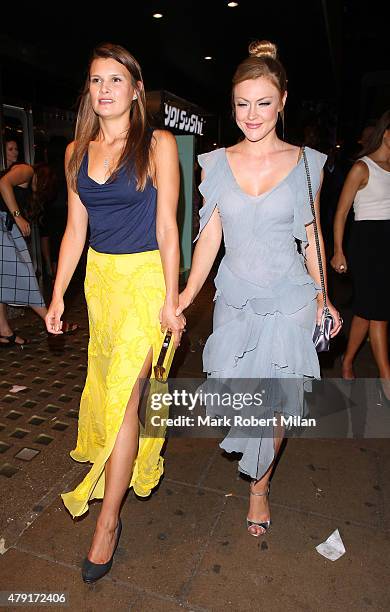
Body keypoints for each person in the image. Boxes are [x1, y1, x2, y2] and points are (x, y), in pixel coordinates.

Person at [177, 40, 342, 537]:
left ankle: (259, 488)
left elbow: (310, 236)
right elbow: (209, 238)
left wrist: (323, 296)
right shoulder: (216, 163)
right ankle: (256, 473)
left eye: (263, 102)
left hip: (289, 299)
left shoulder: (306, 162)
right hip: (235, 299)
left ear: (283, 100)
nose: (252, 114)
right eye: (242, 103)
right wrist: (184, 297)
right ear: (232, 105)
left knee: (276, 402)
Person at [45, 42, 185, 583]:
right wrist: (57, 294)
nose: (104, 89)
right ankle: (112, 499)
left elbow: (169, 227)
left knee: (130, 398)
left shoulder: (158, 144)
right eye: (96, 80)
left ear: (134, 89)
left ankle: (107, 523)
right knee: (110, 393)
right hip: (101, 285)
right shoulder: (77, 151)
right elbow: (75, 231)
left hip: (147, 280)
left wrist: (171, 300)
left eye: (114, 79)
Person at [330, 109, 390, 398]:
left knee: (368, 310)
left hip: (387, 242)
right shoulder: (362, 168)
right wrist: (338, 250)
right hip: (366, 244)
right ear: (387, 133)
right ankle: (386, 378)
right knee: (378, 313)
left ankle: (348, 360)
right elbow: (340, 213)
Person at [0, 162, 77, 346]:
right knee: (25, 274)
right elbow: (3, 183)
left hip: (4, 226)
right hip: (3, 225)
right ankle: (51, 320)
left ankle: (4, 331)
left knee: (3, 279)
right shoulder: (27, 170)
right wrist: (17, 216)